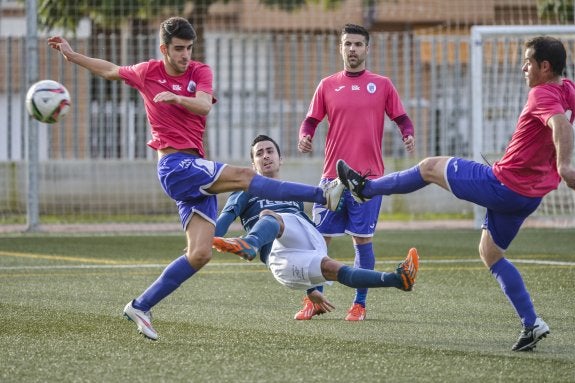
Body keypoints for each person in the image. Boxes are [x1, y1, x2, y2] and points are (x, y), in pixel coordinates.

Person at [48, 17, 344, 341]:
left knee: (200, 254)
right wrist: (73, 55)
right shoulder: (148, 72)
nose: (185, 55)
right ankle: (322, 195)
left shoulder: (200, 71)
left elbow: (203, 106)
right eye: (178, 49)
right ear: (164, 49)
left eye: (189, 48)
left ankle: (141, 305)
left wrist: (176, 98)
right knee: (247, 175)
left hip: (195, 167)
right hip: (175, 166)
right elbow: (110, 69)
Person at [336, 35, 575, 351]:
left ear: (544, 66)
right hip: (529, 196)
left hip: (503, 184)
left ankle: (367, 188)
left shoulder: (541, 94)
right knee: (490, 253)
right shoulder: (567, 89)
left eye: (528, 62)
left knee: (429, 167)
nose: (523, 68)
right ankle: (531, 323)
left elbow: (560, 125)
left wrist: (565, 166)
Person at [212, 135, 419, 311]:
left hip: (303, 238)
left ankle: (397, 280)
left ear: (280, 159)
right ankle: (398, 280)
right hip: (279, 262)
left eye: (269, 151)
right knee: (332, 267)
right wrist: (207, 240)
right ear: (253, 165)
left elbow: (301, 234)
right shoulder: (245, 191)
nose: (265, 155)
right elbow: (225, 218)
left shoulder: (292, 194)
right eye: (259, 153)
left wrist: (312, 288)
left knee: (274, 218)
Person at [296, 23, 416, 321]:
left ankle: (359, 304)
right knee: (318, 241)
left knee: (361, 240)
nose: (352, 49)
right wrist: (305, 135)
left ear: (367, 49)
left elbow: (402, 118)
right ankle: (314, 299)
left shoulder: (382, 84)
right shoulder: (327, 85)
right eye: (347, 44)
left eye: (358, 44)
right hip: (331, 179)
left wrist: (408, 133)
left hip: (368, 179)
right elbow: (311, 120)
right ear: (341, 48)